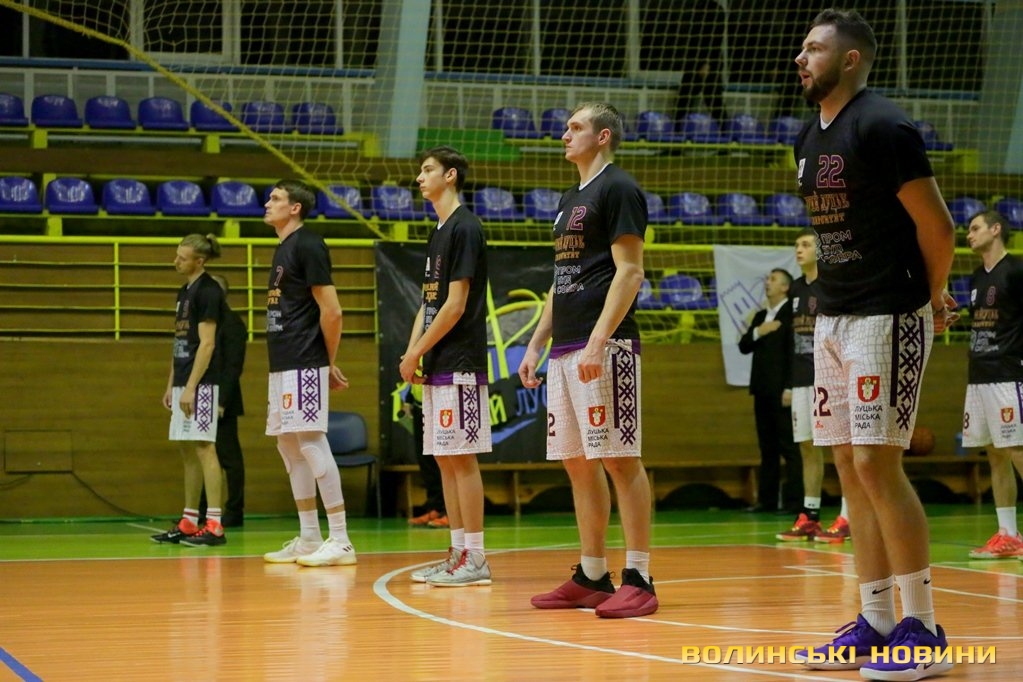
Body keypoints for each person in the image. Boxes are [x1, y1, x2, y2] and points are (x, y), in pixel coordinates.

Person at [789, 10, 958, 680]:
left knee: (876, 462)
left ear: (850, 59)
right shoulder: (807, 135)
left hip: (887, 313)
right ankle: (876, 619)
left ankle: (923, 626)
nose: (800, 58)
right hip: (832, 318)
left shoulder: (884, 126)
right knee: (847, 465)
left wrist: (930, 297)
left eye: (814, 48)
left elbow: (937, 227)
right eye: (802, 48)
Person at [519, 102, 658, 618]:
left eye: (575, 127)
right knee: (577, 463)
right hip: (565, 348)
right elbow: (562, 279)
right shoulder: (567, 199)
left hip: (607, 345)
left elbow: (630, 272)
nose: (564, 134)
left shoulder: (618, 188)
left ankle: (639, 576)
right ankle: (593, 574)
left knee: (620, 459)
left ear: (602, 136)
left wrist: (600, 340)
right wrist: (536, 342)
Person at [400, 145, 492, 587]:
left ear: (450, 175)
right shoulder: (438, 231)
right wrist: (412, 351)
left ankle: (476, 556)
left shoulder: (465, 227)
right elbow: (429, 302)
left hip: (460, 360)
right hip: (437, 359)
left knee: (462, 457)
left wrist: (417, 351)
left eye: (428, 170)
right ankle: (457, 553)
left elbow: (455, 306)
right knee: (444, 458)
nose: (420, 177)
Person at [261, 179, 357, 568]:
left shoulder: (309, 244)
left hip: (304, 359)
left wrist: (326, 361)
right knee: (288, 445)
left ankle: (341, 539)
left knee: (312, 442)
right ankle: (309, 537)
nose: (267, 203)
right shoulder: (283, 247)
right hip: (282, 361)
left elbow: (332, 311)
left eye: (276, 198)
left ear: (295, 207)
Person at [151, 233, 228, 547]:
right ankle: (188, 520)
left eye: (182, 258)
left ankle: (215, 523)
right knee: (187, 449)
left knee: (205, 447)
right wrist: (173, 384)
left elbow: (206, 345)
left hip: (202, 383)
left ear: (200, 260)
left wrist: (192, 387)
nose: (176, 261)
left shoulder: (209, 291)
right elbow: (180, 341)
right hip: (184, 380)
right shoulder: (184, 292)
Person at [777, 229, 849, 542]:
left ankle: (848, 515)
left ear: (820, 251)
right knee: (806, 445)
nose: (799, 249)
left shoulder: (832, 283)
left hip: (830, 376)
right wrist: (789, 383)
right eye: (796, 245)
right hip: (802, 378)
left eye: (805, 244)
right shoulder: (795, 288)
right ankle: (811, 514)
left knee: (841, 447)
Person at [962, 210, 1023, 559]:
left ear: (996, 229)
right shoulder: (974, 278)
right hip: (979, 376)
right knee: (995, 454)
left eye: (975, 228)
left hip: (1008, 374)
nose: (968, 235)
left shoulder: (1016, 270)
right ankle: (1008, 534)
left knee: (1017, 450)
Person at [739, 268, 802, 513]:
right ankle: (766, 500)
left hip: (783, 391)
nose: (767, 283)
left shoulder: (792, 314)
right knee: (767, 448)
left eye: (773, 279)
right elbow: (744, 345)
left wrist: (790, 387)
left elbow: (794, 353)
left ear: (785, 287)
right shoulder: (761, 316)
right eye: (767, 279)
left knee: (790, 447)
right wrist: (759, 331)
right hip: (762, 390)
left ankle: (795, 501)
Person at [210, 274, 247, 527]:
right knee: (204, 455)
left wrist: (221, 401)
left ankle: (234, 510)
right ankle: (203, 510)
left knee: (229, 458)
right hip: (203, 397)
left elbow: (233, 366)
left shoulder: (232, 323)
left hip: (223, 401)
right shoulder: (206, 322)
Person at [672, 0, 727, 127]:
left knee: (713, 101)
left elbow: (714, 39)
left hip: (708, 62)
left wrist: (706, 63)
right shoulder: (697, 8)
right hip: (695, 60)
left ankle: (726, 132)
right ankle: (678, 132)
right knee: (684, 100)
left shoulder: (715, 11)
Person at [403, 383, 448, 528]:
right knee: (426, 460)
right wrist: (409, 399)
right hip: (420, 405)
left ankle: (451, 512)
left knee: (446, 460)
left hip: (442, 403)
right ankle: (436, 508)